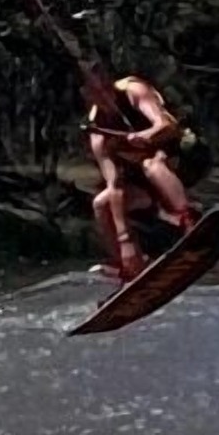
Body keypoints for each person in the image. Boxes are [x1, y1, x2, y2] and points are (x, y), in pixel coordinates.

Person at [82, 73, 211, 286]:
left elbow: (165, 125)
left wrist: (148, 135)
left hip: (184, 157)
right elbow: (115, 185)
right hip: (147, 183)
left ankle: (189, 222)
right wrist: (125, 241)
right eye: (97, 94)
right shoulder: (98, 134)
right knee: (101, 203)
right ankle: (131, 265)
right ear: (88, 96)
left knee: (151, 164)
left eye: (107, 89)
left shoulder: (134, 91)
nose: (106, 97)